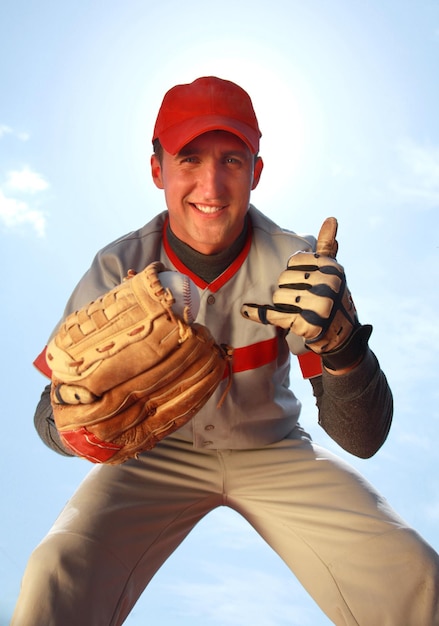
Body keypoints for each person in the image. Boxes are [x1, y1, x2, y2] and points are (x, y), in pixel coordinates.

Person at [11, 76, 439, 626]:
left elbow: (363, 437)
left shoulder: (298, 261)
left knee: (414, 574)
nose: (211, 185)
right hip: (151, 456)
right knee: (55, 571)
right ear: (157, 169)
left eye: (232, 161)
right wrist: (80, 417)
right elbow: (48, 418)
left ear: (256, 171)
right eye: (189, 159)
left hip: (274, 450)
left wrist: (343, 346)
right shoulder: (117, 267)